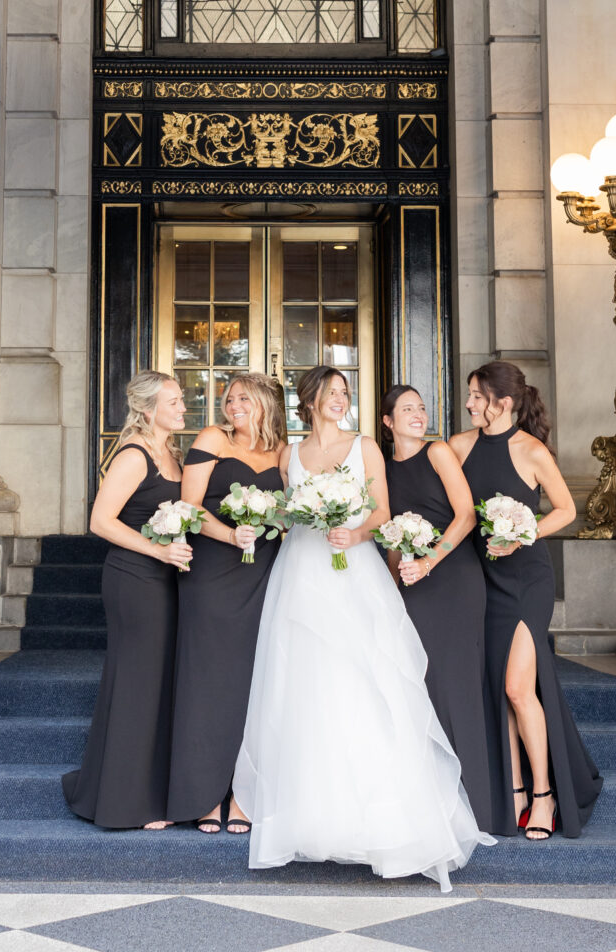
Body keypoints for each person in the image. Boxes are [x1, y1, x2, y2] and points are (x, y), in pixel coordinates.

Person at [233, 366, 495, 890]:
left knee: (369, 683)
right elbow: (287, 518)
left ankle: (387, 822)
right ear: (310, 401)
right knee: (308, 688)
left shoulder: (365, 446)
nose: (339, 400)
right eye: (331, 394)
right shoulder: (291, 455)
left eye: (345, 393)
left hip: (355, 573)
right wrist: (257, 523)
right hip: (302, 577)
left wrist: (353, 534)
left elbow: (381, 512)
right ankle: (314, 818)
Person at [450, 361, 602, 840]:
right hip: (481, 581)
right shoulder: (457, 446)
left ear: (504, 402)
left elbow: (567, 510)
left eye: (477, 395)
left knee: (519, 688)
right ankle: (512, 790)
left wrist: (523, 533)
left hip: (526, 581)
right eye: (471, 395)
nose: (470, 403)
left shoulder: (531, 451)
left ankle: (544, 793)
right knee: (497, 689)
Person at [62, 370, 191, 829]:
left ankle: (130, 788)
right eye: (174, 401)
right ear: (148, 408)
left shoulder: (171, 453)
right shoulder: (134, 456)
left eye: (181, 399)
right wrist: (158, 549)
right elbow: (101, 521)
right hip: (134, 579)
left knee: (155, 684)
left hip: (166, 579)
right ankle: (127, 802)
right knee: (139, 685)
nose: (182, 407)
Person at [168, 373, 285, 833]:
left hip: (262, 573)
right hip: (214, 571)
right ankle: (202, 793)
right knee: (207, 680)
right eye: (229, 398)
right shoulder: (212, 438)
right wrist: (230, 533)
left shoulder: (281, 451)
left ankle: (242, 794)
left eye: (243, 398)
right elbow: (190, 506)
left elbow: (289, 510)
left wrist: (283, 524)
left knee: (251, 684)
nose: (233, 405)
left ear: (264, 404)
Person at [383, 385, 493, 832]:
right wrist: (394, 583)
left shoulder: (439, 452)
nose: (418, 414)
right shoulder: (383, 468)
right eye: (407, 409)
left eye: (422, 408)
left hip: (452, 579)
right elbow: (388, 533)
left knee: (454, 687)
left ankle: (476, 808)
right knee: (418, 687)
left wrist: (431, 558)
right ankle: (428, 802)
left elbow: (466, 515)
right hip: (410, 584)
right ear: (387, 421)